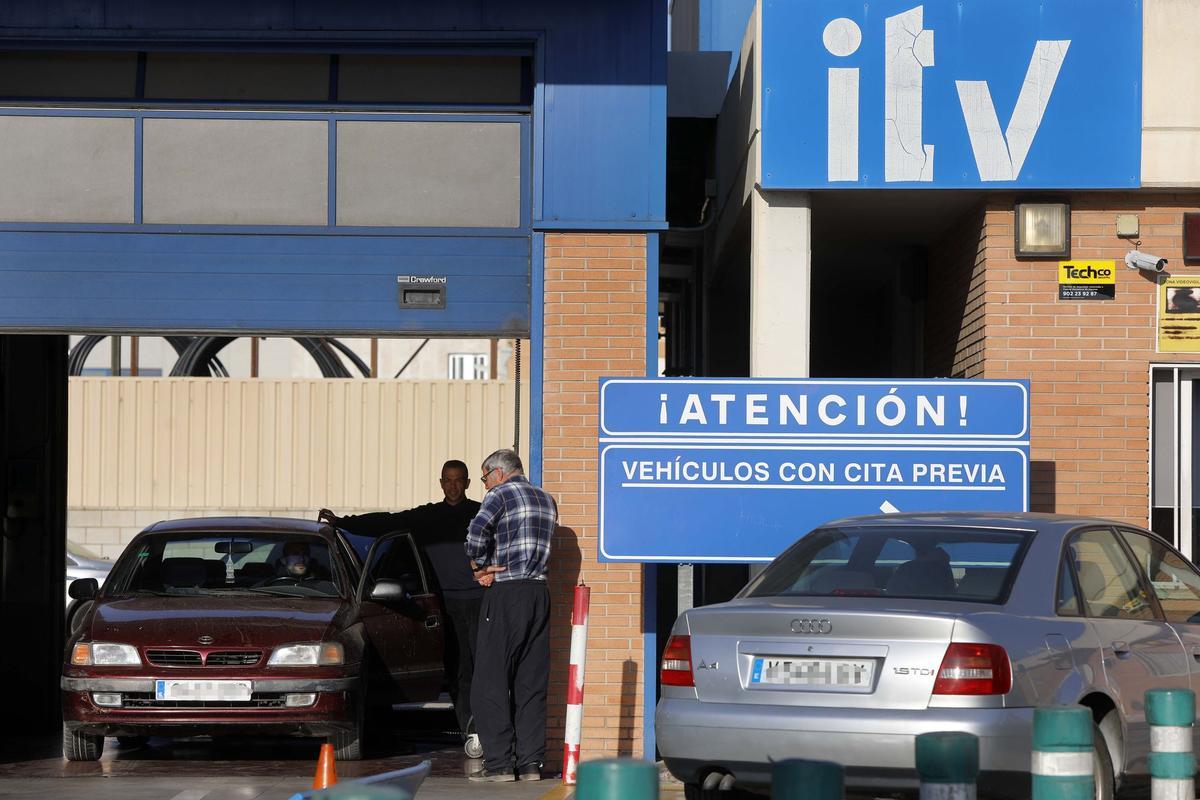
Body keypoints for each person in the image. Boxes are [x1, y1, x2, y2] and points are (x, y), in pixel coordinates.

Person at [318, 459, 483, 741]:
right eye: (448, 480)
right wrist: (343, 522)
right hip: (446, 605)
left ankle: (489, 725)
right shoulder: (428, 517)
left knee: (485, 666)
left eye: (459, 480)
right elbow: (388, 521)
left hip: (482, 599)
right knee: (458, 668)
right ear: (441, 483)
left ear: (467, 483)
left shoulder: (481, 514)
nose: (453, 485)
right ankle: (470, 728)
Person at [464, 448, 557, 783]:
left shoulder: (500, 495)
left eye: (485, 478)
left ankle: (500, 764)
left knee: (488, 681)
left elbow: (475, 536)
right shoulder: (547, 499)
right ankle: (531, 765)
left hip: (507, 594)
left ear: (498, 473)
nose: (485, 485)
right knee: (531, 682)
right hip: (538, 594)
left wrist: (479, 565)